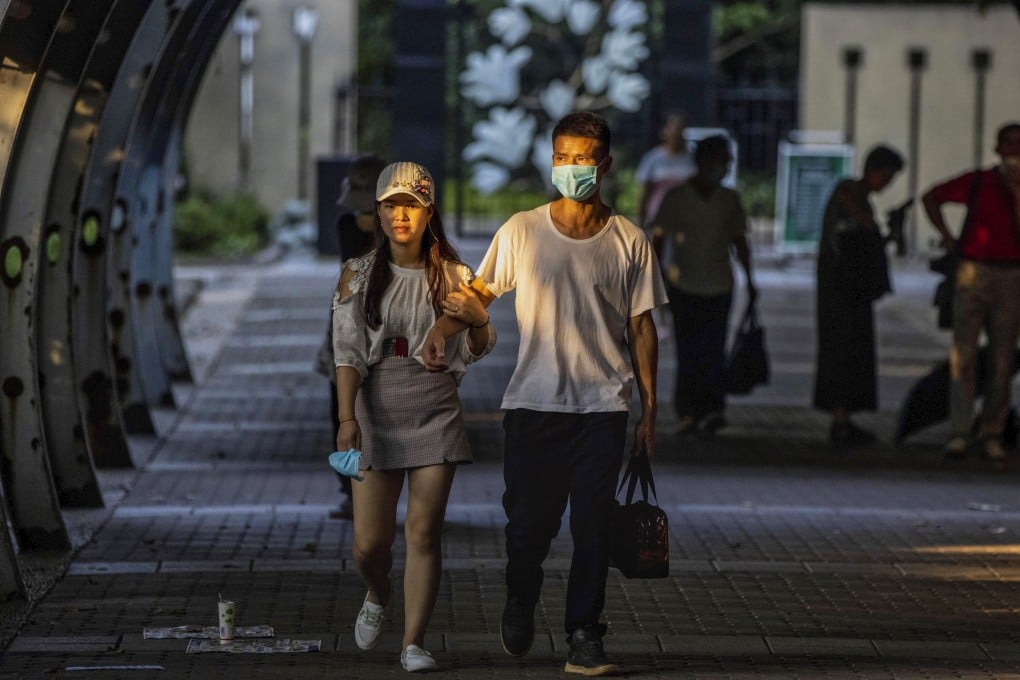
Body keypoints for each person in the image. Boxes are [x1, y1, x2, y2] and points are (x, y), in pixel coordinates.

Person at [422, 111, 667, 676]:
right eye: (561, 157)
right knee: (528, 526)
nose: (570, 168)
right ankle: (521, 593)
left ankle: (584, 631)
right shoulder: (522, 231)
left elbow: (642, 328)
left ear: (604, 165)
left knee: (593, 529)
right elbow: (478, 294)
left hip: (603, 408)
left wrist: (650, 410)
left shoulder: (629, 241)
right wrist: (441, 332)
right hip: (532, 404)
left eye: (582, 158)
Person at [332, 161, 495, 673]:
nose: (400, 215)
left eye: (411, 204)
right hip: (375, 404)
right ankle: (377, 592)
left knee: (423, 533)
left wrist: (478, 318)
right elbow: (347, 352)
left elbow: (480, 346)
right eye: (390, 205)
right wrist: (345, 418)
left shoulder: (454, 274)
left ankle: (413, 642)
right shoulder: (357, 274)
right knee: (369, 544)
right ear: (377, 211)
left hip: (435, 404)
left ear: (429, 212)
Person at [921, 122, 1020, 463]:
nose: (1014, 153)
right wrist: (950, 239)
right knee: (963, 354)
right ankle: (960, 430)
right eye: (1009, 145)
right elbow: (932, 197)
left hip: (1011, 273)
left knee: (1003, 358)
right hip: (974, 269)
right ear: (997, 149)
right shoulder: (981, 181)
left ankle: (992, 430)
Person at [649, 134, 757, 436]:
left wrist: (751, 280)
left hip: (720, 286)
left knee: (713, 350)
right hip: (683, 286)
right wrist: (653, 279)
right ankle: (688, 412)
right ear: (707, 161)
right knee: (688, 353)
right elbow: (658, 239)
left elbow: (740, 242)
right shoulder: (677, 198)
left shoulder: (729, 200)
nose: (727, 165)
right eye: (724, 159)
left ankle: (712, 409)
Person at [814, 145, 905, 444]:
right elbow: (861, 233)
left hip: (848, 287)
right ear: (875, 171)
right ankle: (841, 418)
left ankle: (845, 417)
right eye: (887, 177)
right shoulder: (849, 192)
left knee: (852, 352)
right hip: (841, 286)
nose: (887, 184)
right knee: (842, 350)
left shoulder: (858, 196)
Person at [314, 154, 388, 519]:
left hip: (388, 329)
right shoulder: (349, 225)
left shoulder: (400, 226)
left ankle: (374, 489)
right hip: (348, 330)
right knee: (343, 413)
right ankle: (350, 488)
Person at [635, 110, 696, 229]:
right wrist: (641, 225)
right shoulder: (653, 159)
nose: (677, 134)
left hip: (688, 222)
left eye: (680, 129)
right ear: (664, 131)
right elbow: (644, 194)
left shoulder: (693, 159)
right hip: (658, 220)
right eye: (673, 128)